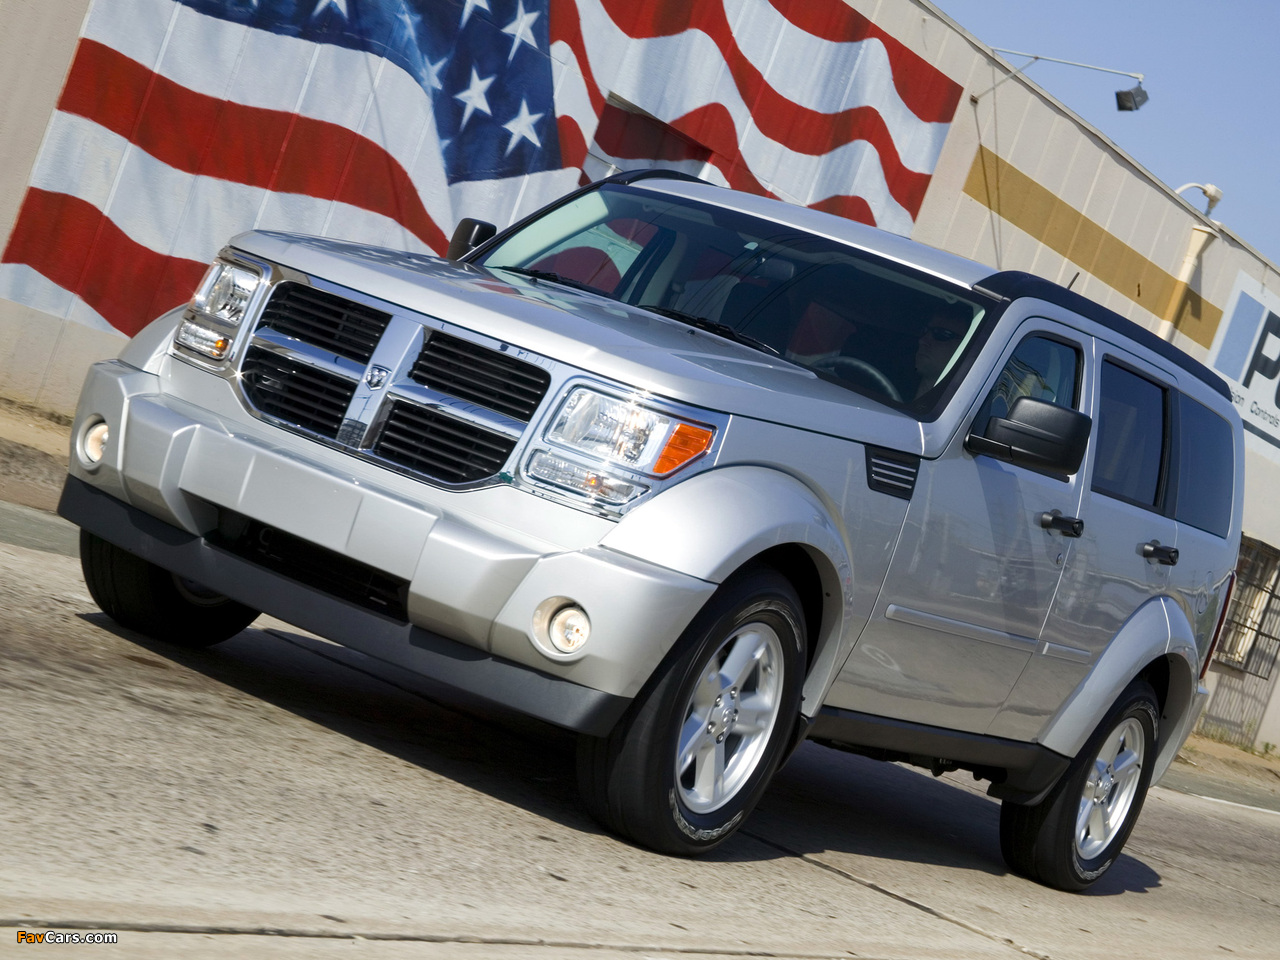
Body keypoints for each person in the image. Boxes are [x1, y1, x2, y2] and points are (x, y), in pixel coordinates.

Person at [913, 300, 972, 399]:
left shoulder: (965, 403)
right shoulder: (892, 383)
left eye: (941, 334)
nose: (922, 340)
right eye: (924, 331)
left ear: (966, 347)